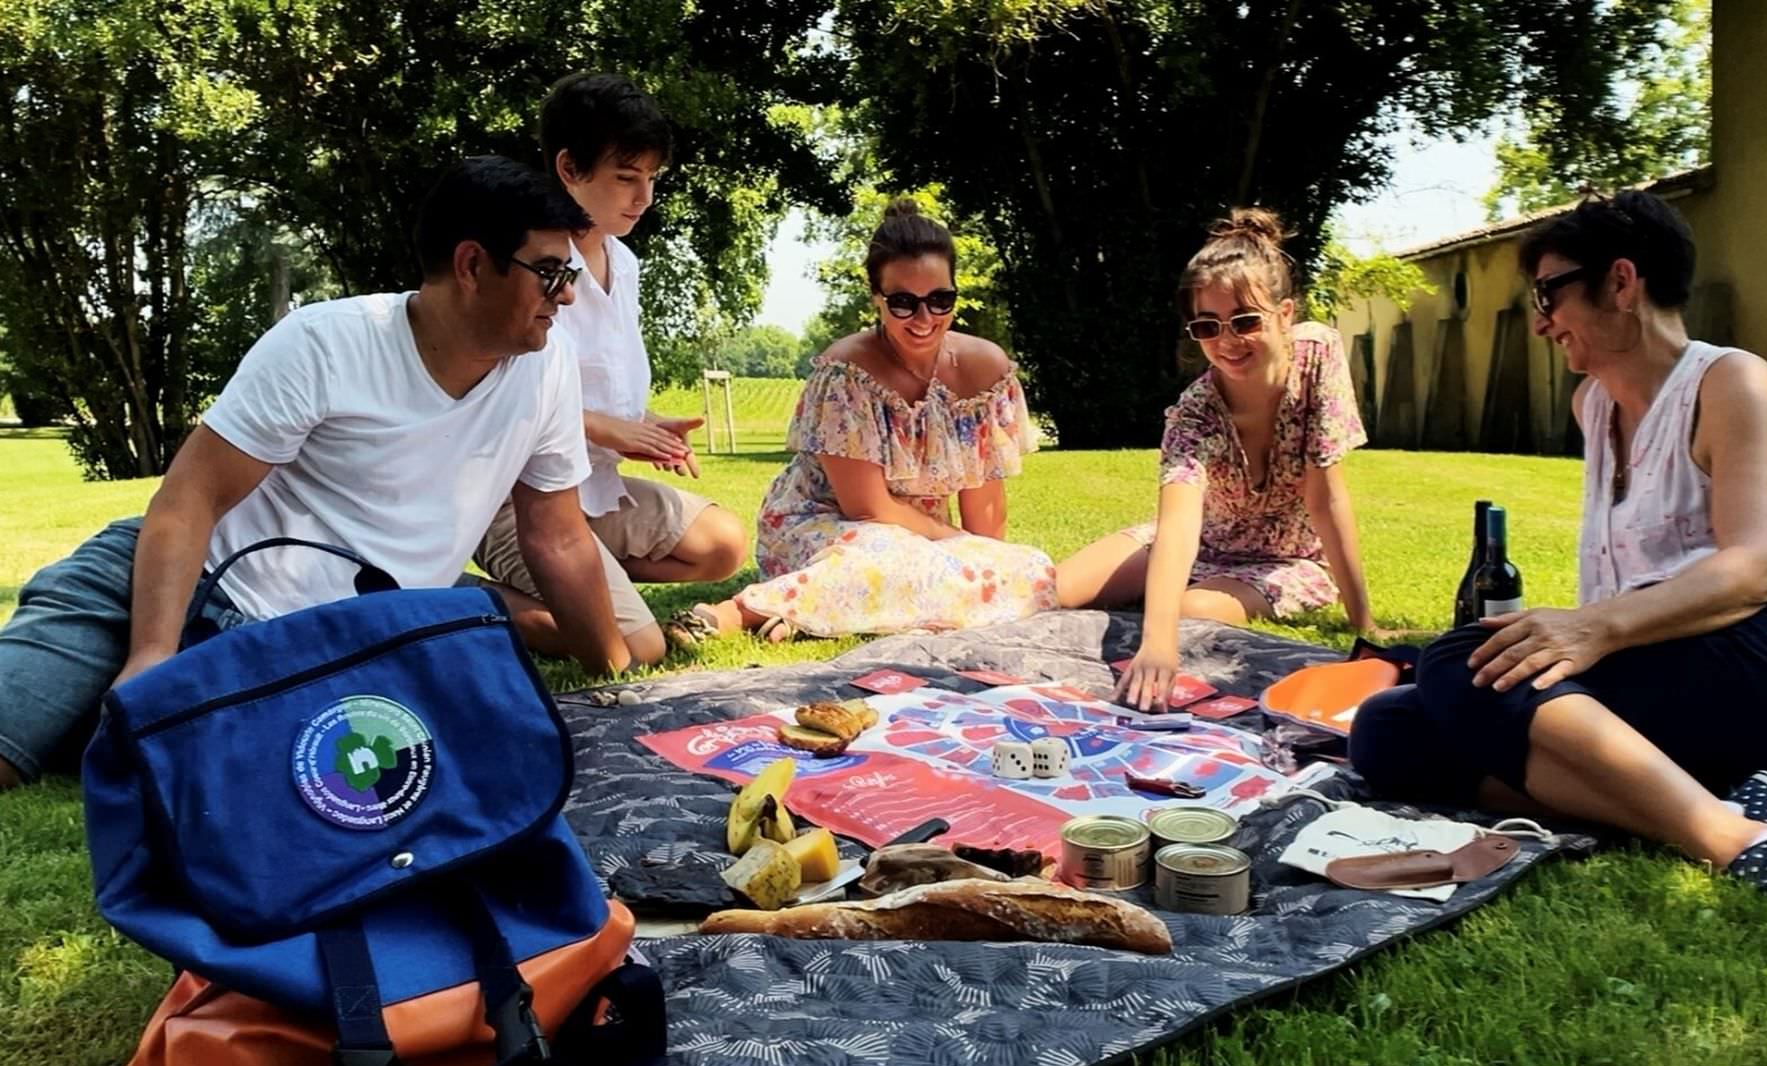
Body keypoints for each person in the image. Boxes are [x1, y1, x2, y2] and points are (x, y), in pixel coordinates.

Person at [1348, 192, 1767, 944]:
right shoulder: (1592, 407)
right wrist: (1571, 636)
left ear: (1622, 282)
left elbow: (1752, 570)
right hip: (1672, 655)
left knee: (1460, 664)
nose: (1540, 320)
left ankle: (1746, 846)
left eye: (1549, 293)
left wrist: (1591, 626)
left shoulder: (1732, 382)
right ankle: (1736, 800)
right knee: (1387, 731)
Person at [0, 156, 633, 791]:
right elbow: (189, 499)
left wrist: (616, 673)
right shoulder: (326, 344)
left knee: (196, 774)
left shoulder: (546, 370)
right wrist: (151, 657)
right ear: (471, 266)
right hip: (164, 585)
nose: (569, 295)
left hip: (314, 648)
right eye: (550, 274)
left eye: (570, 273)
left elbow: (557, 537)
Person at [664, 199, 1055, 646]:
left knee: (1032, 572)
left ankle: (821, 613)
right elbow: (868, 508)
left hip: (927, 538)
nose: (925, 318)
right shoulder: (845, 372)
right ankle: (734, 613)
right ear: (877, 298)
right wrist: (957, 547)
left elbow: (985, 509)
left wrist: (985, 558)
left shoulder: (985, 368)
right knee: (887, 558)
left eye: (940, 299)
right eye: (904, 302)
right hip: (827, 524)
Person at [472, 73, 748, 666]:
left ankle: (589, 586)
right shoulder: (531, 263)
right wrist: (609, 429)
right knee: (638, 647)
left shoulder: (623, 262)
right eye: (625, 177)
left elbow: (599, 388)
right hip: (521, 501)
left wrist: (645, 425)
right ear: (569, 169)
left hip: (597, 489)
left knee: (723, 544)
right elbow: (503, 396)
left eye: (650, 178)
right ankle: (466, 603)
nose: (642, 195)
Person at [1055, 208, 1379, 710]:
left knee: (1190, 610)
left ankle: (1170, 610)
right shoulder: (1194, 413)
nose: (1227, 341)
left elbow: (1325, 497)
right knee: (1056, 589)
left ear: (1285, 315)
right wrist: (1155, 641)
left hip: (1282, 561)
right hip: (1204, 540)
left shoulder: (1318, 356)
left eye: (1245, 320)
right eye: (1208, 326)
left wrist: (1364, 621)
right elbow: (1179, 526)